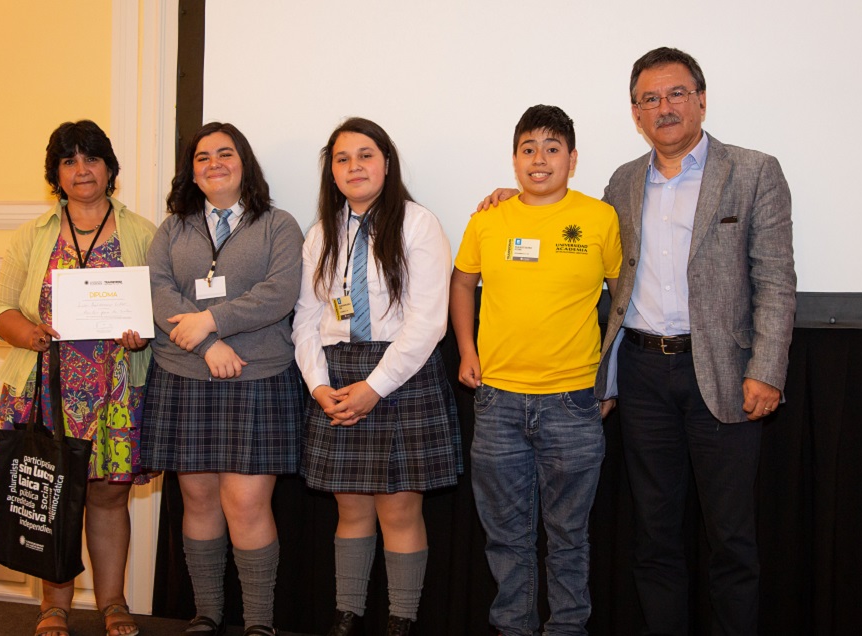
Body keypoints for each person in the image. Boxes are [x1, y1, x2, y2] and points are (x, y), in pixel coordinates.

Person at [480, 48, 797, 635]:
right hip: (643, 375)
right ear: (635, 113)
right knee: (654, 533)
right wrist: (512, 200)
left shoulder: (754, 171)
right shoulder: (622, 182)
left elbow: (776, 280)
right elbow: (577, 242)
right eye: (650, 99)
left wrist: (767, 369)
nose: (664, 107)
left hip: (723, 374)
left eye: (676, 93)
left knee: (731, 537)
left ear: (701, 100)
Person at [452, 105, 621, 636]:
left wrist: (610, 377)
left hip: (573, 401)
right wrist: (466, 350)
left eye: (552, 148)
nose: (540, 159)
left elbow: (623, 298)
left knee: (569, 537)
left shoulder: (600, 218)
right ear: (514, 159)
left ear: (572, 158)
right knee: (506, 537)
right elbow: (462, 284)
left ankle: (567, 628)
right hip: (497, 401)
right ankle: (514, 629)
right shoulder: (487, 219)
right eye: (528, 149)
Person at [293, 117, 462, 636]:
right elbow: (306, 320)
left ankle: (400, 622)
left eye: (365, 155)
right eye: (342, 159)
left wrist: (373, 388)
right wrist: (318, 386)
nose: (354, 167)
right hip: (337, 377)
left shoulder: (417, 223)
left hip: (400, 377)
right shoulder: (321, 233)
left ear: (386, 163)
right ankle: (347, 616)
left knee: (399, 511)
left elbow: (429, 322)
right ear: (332, 172)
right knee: (350, 509)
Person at [0, 120, 157, 636]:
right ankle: (53, 607)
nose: (82, 170)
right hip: (46, 388)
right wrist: (29, 333)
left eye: (91, 158)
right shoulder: (32, 235)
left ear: (109, 168)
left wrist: (142, 335)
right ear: (56, 174)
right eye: (69, 161)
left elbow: (159, 310)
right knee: (50, 495)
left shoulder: (143, 233)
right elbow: (0, 310)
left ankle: (113, 604)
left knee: (108, 499)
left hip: (115, 389)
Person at [142, 122, 304, 636]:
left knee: (247, 504)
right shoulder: (172, 229)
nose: (214, 164)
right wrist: (208, 345)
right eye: (202, 157)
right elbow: (158, 292)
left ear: (244, 163)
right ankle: (206, 614)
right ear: (191, 172)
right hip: (184, 374)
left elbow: (280, 293)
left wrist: (212, 321)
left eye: (225, 153)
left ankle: (259, 623)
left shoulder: (279, 225)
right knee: (198, 501)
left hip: (257, 377)